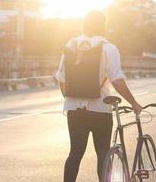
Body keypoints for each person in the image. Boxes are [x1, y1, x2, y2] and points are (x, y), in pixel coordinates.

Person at [55, 10, 143, 182]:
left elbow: (60, 79)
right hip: (100, 109)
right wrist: (134, 103)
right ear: (103, 25)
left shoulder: (70, 45)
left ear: (83, 24)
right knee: (103, 153)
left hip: (74, 109)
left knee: (75, 153)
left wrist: (71, 96)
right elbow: (116, 80)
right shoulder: (108, 48)